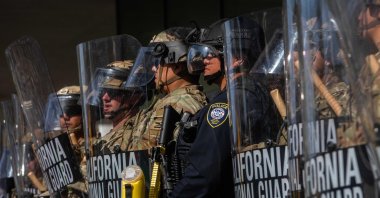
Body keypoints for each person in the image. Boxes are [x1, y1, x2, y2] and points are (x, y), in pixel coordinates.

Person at [170, 19, 234, 197]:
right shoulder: (240, 97)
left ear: (231, 56)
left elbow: (204, 173)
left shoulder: (222, 105)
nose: (202, 60)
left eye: (209, 53)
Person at [128, 27, 207, 151]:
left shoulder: (177, 103)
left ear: (177, 66)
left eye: (159, 62)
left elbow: (146, 151)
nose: (154, 69)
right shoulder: (175, 100)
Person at [92, 60, 145, 153]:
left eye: (112, 92)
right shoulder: (109, 135)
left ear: (133, 96)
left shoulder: (142, 129)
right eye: (103, 91)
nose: (105, 97)